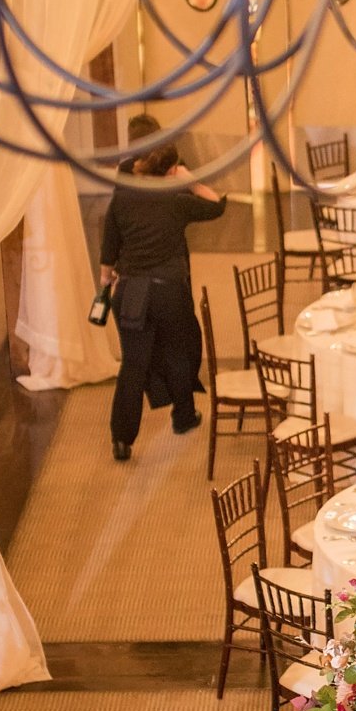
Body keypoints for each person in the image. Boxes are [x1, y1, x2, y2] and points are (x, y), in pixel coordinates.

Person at [99, 115, 226, 461]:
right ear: (169, 170)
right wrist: (189, 180)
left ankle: (121, 439)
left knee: (133, 364)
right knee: (179, 350)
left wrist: (105, 273)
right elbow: (217, 206)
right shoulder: (175, 199)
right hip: (169, 289)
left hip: (132, 292)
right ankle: (183, 416)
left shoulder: (123, 197)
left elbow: (111, 230)